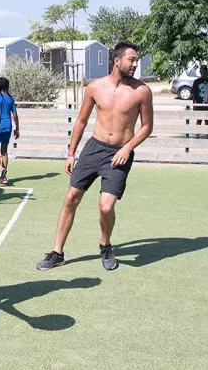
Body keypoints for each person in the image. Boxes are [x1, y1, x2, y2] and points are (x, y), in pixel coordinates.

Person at [36, 41, 154, 272]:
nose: (135, 64)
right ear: (116, 60)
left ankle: (105, 244)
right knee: (71, 198)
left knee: (106, 206)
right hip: (93, 148)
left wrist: (127, 148)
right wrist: (71, 153)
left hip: (119, 153)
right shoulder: (95, 87)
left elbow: (147, 127)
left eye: (136, 60)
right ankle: (57, 252)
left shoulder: (141, 91)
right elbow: (81, 121)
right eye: (131, 60)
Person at [0, 77, 19, 185]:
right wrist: (17, 128)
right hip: (8, 126)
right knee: (4, 151)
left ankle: (0, 168)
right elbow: (15, 115)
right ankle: (4, 177)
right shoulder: (10, 99)